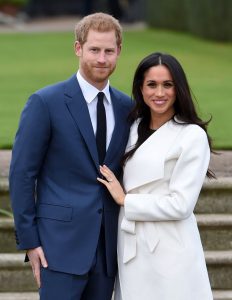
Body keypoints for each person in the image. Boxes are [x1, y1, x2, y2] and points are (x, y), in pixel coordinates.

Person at [9, 12, 133, 300]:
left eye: (108, 51)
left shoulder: (127, 107)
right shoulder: (45, 102)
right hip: (58, 249)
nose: (101, 59)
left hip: (108, 250)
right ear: (78, 48)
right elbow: (22, 174)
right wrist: (30, 241)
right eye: (94, 50)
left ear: (118, 52)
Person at [97, 52, 214, 299]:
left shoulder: (191, 135)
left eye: (167, 85)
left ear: (178, 88)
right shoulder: (130, 128)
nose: (159, 93)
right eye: (151, 84)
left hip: (171, 248)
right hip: (130, 244)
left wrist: (126, 200)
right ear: (140, 88)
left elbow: (181, 204)